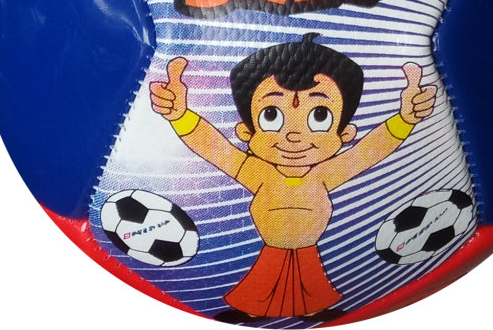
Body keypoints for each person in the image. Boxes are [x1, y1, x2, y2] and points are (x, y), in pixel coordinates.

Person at [149, 33, 437, 323]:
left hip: (309, 243)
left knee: (309, 275)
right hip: (272, 243)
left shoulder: (325, 173)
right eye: (271, 115)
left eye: (319, 116)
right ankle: (252, 307)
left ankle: (313, 308)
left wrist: (405, 119)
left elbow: (369, 152)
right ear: (246, 132)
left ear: (345, 133)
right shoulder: (257, 171)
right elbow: (216, 149)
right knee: (266, 274)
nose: (294, 135)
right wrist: (180, 115)